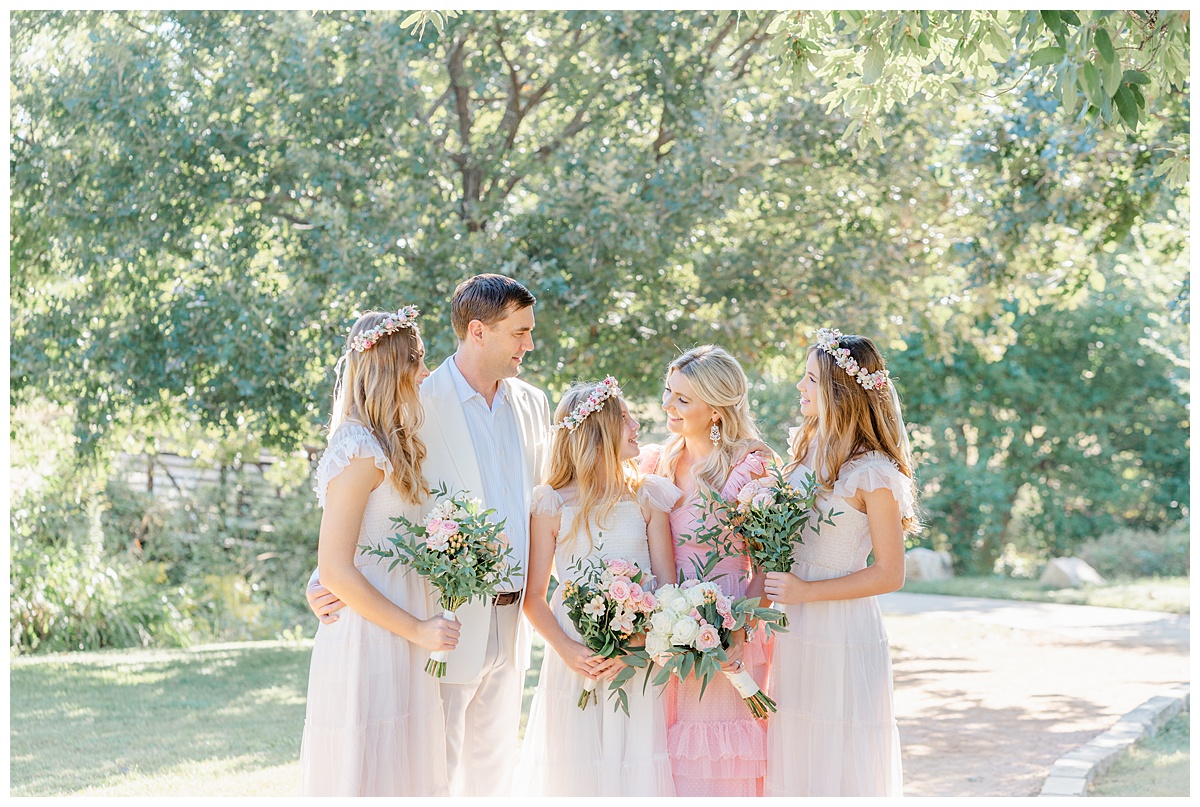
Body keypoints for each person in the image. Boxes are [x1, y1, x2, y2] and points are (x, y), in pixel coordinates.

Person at [306, 275, 552, 797]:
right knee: (430, 771)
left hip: (510, 627)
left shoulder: (534, 405)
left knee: (494, 780)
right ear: (479, 331)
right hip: (441, 618)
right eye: (520, 332)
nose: (529, 344)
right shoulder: (417, 403)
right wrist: (321, 577)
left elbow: (552, 498)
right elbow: (375, 501)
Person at [298, 307, 457, 796]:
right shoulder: (357, 448)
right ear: (391, 367)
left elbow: (365, 538)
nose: (425, 372)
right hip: (371, 634)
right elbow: (338, 568)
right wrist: (419, 629)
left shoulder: (396, 444)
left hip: (403, 621)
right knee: (368, 769)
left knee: (405, 766)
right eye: (417, 359)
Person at [762, 328, 917, 797]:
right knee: (795, 744)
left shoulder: (873, 473)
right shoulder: (804, 451)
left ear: (838, 391)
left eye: (809, 379)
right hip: (793, 622)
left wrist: (807, 591)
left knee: (839, 747)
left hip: (842, 627)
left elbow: (891, 573)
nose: (799, 388)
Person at [514, 378, 678, 797]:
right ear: (599, 430)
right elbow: (533, 598)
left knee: (632, 765)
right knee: (574, 768)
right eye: (624, 418)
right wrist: (568, 652)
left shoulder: (647, 497)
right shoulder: (551, 503)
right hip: (575, 654)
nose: (636, 423)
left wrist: (636, 647)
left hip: (636, 657)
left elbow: (667, 589)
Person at [638, 344, 776, 797]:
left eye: (682, 399)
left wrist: (739, 625)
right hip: (669, 628)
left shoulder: (749, 466)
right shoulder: (659, 462)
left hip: (732, 618)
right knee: (671, 755)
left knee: (718, 752)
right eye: (668, 393)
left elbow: (767, 557)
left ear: (716, 410)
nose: (667, 406)